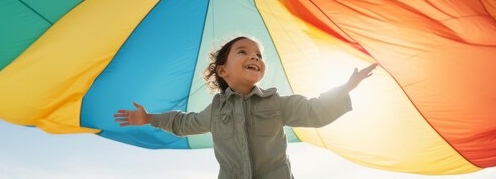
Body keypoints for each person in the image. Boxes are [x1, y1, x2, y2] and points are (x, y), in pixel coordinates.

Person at [114, 36, 377, 179]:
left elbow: (314, 110)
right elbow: (185, 123)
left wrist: (345, 89)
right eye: (243, 51)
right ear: (223, 70)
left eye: (259, 55)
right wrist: (149, 118)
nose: (254, 57)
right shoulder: (216, 110)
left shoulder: (275, 102)